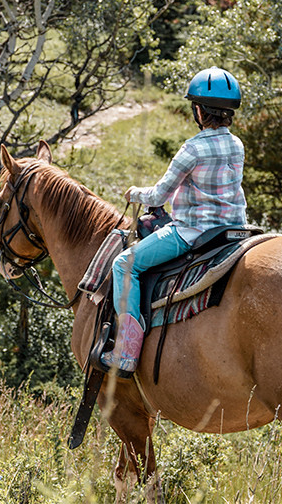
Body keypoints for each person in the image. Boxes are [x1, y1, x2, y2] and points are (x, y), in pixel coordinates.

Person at [101, 67, 247, 374]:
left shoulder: (192, 148)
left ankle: (126, 353)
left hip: (194, 232)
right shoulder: (237, 144)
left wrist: (134, 194)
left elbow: (158, 197)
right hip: (236, 230)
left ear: (198, 110)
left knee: (124, 264)